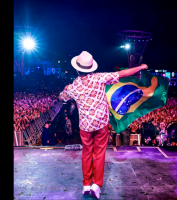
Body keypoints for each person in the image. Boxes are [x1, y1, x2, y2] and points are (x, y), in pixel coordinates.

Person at [58, 51, 148, 199]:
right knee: (99, 154)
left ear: (77, 69)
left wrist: (67, 91)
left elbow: (62, 97)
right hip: (101, 124)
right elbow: (123, 74)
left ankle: (86, 185)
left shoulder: (73, 87)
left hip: (85, 127)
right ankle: (96, 185)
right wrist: (140, 67)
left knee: (87, 153)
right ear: (91, 67)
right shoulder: (99, 78)